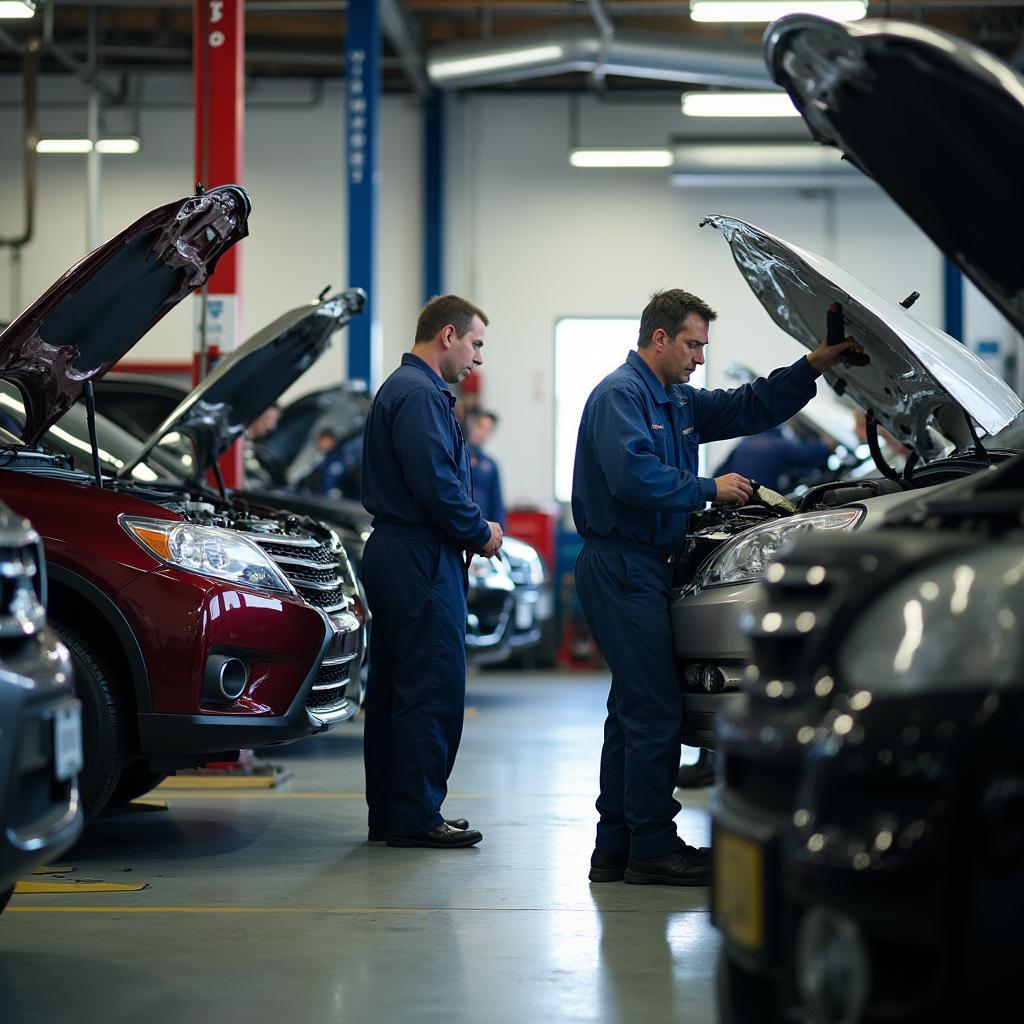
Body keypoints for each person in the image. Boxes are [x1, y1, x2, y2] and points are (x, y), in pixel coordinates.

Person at [572, 288, 863, 887]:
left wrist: (814, 364)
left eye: (703, 345)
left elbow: (747, 406)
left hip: (649, 564)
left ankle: (616, 848)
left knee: (630, 711)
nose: (699, 357)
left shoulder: (675, 400)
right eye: (692, 344)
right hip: (622, 564)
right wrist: (709, 491)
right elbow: (632, 477)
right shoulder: (620, 397)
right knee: (654, 709)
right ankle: (652, 847)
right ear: (659, 338)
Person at [360, 294, 503, 850]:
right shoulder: (419, 394)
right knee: (430, 685)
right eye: (476, 344)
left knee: (397, 688)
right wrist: (481, 531)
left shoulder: (407, 389)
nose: (478, 359)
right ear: (448, 335)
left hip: (403, 552)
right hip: (420, 555)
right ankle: (417, 814)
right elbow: (436, 484)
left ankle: (395, 813)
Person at [713, 421, 833, 492]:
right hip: (760, 502)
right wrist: (824, 444)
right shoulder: (780, 444)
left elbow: (718, 473)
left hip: (734, 501)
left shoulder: (744, 442)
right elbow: (807, 454)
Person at [464, 408, 507, 528]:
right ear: (471, 425)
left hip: (483, 526)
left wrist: (500, 531)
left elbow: (497, 502)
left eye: (487, 429)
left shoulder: (491, 465)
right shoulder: (457, 457)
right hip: (460, 523)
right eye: (480, 426)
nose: (482, 432)